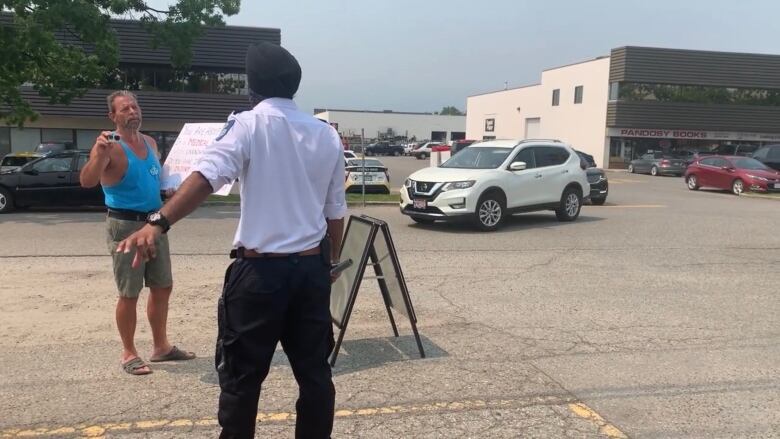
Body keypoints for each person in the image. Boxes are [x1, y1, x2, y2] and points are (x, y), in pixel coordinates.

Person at [115, 42, 346, 438]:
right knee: (315, 376)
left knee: (242, 380)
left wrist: (158, 222)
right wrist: (328, 265)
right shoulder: (326, 134)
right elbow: (335, 213)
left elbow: (208, 177)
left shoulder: (247, 125)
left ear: (252, 90)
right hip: (310, 272)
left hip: (260, 275)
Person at [80, 90, 195, 376]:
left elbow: (152, 181)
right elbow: (87, 181)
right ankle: (129, 352)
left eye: (135, 106)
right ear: (113, 116)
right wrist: (98, 155)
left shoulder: (151, 142)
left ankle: (161, 347)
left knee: (162, 286)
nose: (132, 111)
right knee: (129, 291)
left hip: (156, 224)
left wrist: (166, 190)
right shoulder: (110, 147)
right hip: (125, 226)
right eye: (125, 108)